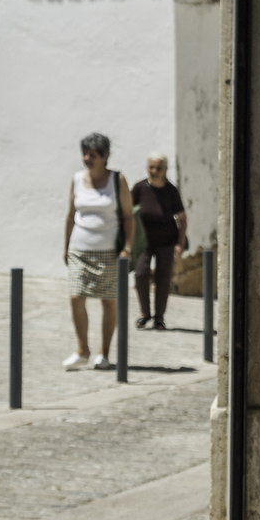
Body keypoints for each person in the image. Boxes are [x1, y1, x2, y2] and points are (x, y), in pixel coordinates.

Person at [63, 132, 134, 369]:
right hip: (79, 249)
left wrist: (127, 247)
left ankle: (104, 353)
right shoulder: (76, 179)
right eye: (85, 154)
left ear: (105, 157)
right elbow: (71, 215)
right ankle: (82, 349)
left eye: (93, 155)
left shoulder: (117, 180)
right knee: (76, 297)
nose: (87, 158)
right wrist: (66, 246)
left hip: (109, 251)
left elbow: (128, 216)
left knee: (108, 301)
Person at [132, 152, 188, 330]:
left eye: (159, 168)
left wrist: (180, 243)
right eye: (152, 167)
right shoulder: (140, 188)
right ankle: (145, 313)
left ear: (165, 169)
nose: (155, 171)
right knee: (140, 273)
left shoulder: (171, 191)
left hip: (166, 241)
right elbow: (129, 214)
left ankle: (159, 317)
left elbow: (182, 218)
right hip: (143, 242)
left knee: (163, 279)